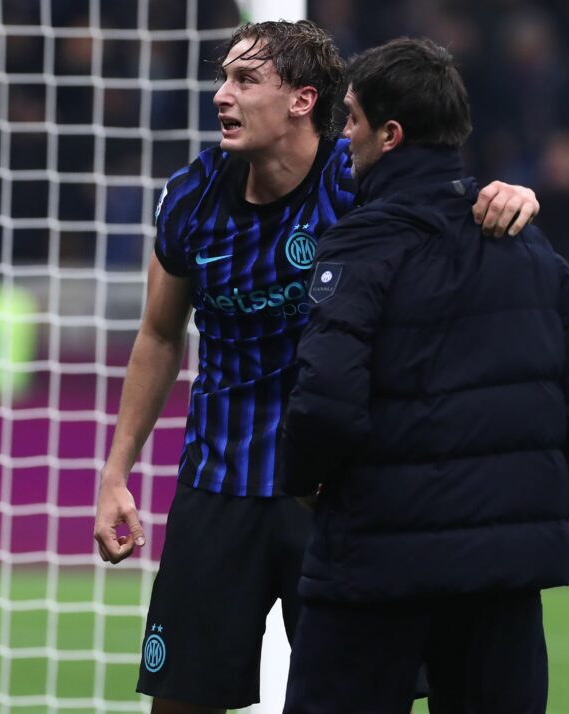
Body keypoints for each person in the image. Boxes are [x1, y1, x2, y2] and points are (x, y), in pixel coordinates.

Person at [92, 20, 542, 714]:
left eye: (245, 80)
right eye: (224, 78)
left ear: (303, 100)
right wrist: (116, 472)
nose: (222, 96)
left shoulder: (359, 181)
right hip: (220, 483)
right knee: (179, 702)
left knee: (362, 700)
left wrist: (514, 195)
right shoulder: (191, 197)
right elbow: (158, 335)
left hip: (337, 491)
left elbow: (456, 203)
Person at [280, 38, 569, 714]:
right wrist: (541, 499)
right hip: (503, 576)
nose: (343, 136)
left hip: (377, 565)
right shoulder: (529, 244)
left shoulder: (363, 246)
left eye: (351, 119)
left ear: (390, 134)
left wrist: (308, 484)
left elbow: (327, 402)